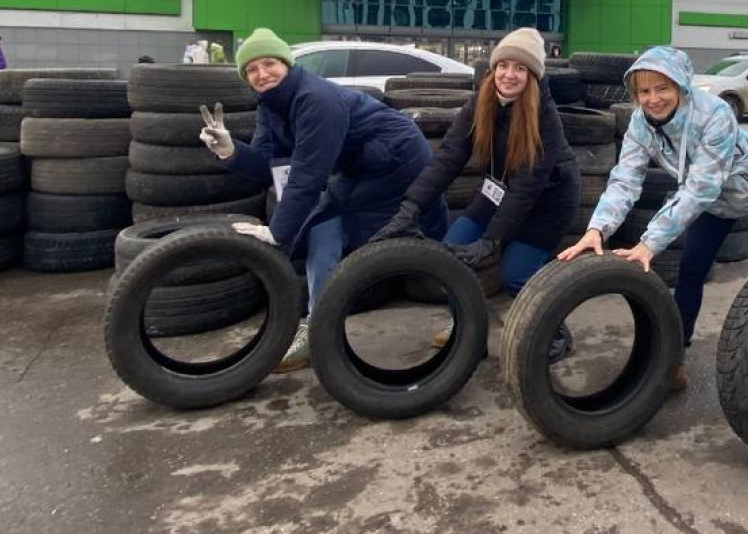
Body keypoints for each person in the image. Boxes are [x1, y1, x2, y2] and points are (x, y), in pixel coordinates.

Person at [199, 27, 448, 372]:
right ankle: (319, 329)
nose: (261, 74)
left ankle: (461, 315)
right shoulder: (271, 106)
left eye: (269, 63)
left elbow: (308, 177)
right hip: (361, 165)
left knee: (402, 233)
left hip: (397, 159)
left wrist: (278, 231)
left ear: (286, 64)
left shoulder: (315, 99)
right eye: (251, 69)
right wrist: (230, 152)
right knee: (321, 226)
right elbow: (268, 166)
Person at [559, 46, 748, 392]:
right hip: (717, 204)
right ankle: (674, 357)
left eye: (662, 88)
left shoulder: (716, 113)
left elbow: (701, 186)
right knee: (690, 269)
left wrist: (648, 243)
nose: (653, 99)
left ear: (681, 86)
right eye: (644, 91)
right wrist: (598, 228)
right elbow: (625, 179)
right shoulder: (640, 124)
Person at [371, 28, 581, 362]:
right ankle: (469, 332)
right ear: (493, 68)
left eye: (520, 68)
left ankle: (557, 333)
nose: (509, 74)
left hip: (548, 200)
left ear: (532, 76)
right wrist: (409, 208)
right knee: (450, 256)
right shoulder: (481, 100)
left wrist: (493, 240)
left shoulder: (544, 115)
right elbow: (449, 155)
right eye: (503, 65)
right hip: (497, 190)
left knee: (515, 275)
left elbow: (528, 183)